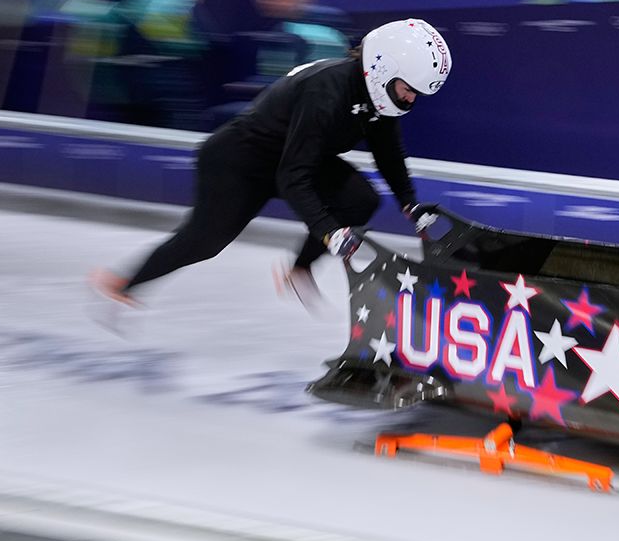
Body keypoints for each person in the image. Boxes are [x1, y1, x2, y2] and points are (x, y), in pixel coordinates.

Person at [90, 18, 452, 319]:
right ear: (383, 68)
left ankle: (299, 268)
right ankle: (123, 282)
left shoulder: (377, 98)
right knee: (204, 242)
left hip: (294, 158)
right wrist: (330, 233)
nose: (410, 99)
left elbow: (388, 151)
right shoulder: (326, 92)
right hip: (239, 161)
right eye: (408, 89)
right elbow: (293, 177)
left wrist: (410, 202)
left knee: (359, 201)